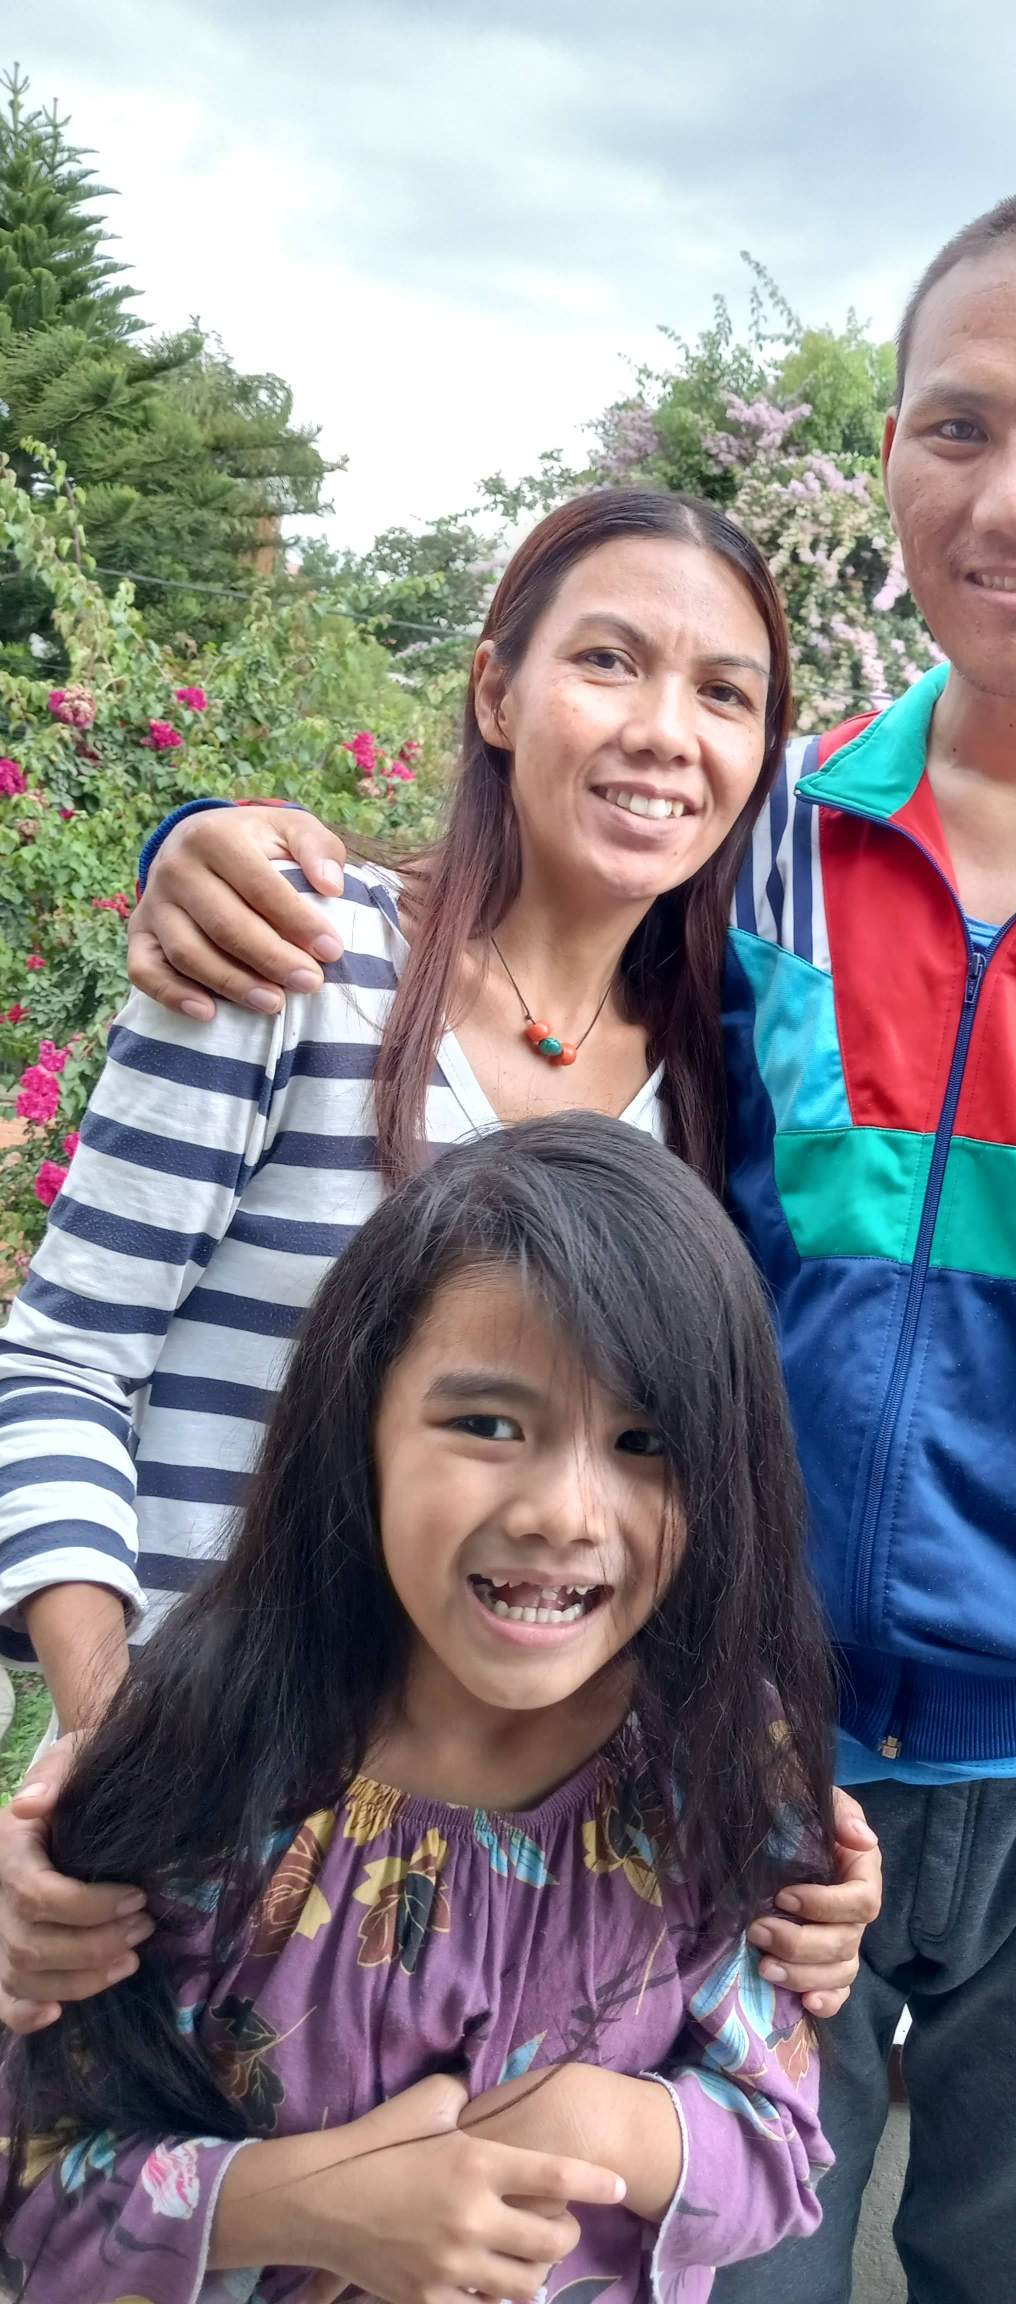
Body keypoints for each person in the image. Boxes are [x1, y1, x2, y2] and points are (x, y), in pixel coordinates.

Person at [7, 187, 1016, 2302]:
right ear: (888, 458)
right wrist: (205, 850)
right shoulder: (769, 839)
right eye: (957, 427)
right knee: (709, 2260)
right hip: (726, 1754)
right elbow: (522, 971)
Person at [0, 487, 876, 2030]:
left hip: (497, 1882)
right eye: (609, 661)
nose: (667, 731)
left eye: (725, 693)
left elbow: (671, 1488)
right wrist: (116, 1712)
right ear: (496, 692)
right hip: (204, 1829)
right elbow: (67, 1355)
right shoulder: (296, 963)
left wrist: (777, 1811)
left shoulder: (720, 1088)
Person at [0, 1112, 837, 2300]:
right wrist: (308, 2205)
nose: (566, 1510)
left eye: (645, 1441)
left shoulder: (719, 1758)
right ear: (362, 1428)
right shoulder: (200, 1754)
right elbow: (34, 2175)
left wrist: (602, 2129)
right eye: (488, 1425)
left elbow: (783, 2153)